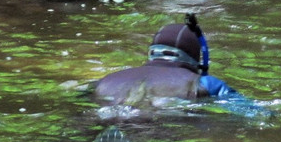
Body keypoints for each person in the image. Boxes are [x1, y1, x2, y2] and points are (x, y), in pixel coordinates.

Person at [92, 14, 238, 106]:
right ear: (194, 55)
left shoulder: (104, 80)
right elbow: (250, 111)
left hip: (108, 118)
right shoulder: (207, 84)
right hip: (165, 126)